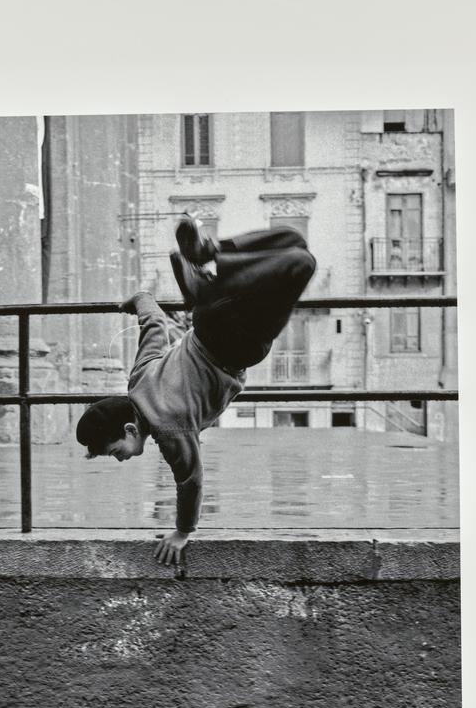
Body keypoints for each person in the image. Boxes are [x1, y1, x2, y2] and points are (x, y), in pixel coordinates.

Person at [76, 218, 316, 566]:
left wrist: (183, 531)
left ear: (129, 431)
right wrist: (140, 300)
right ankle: (210, 258)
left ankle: (210, 283)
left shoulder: (170, 428)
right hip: (208, 321)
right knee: (293, 238)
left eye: (116, 451)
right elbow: (154, 324)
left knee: (302, 263)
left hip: (238, 345)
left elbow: (191, 480)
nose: (121, 459)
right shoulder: (138, 379)